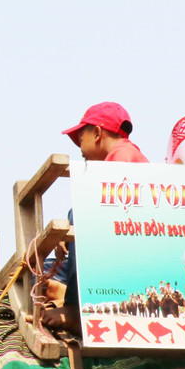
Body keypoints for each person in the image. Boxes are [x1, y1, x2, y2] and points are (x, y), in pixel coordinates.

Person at [43, 102, 149, 331]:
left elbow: (101, 212)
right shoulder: (125, 156)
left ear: (98, 133)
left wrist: (71, 227)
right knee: (39, 272)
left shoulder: (124, 156)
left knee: (78, 213)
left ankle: (73, 307)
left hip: (119, 254)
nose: (80, 150)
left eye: (81, 140)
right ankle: (60, 287)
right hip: (110, 251)